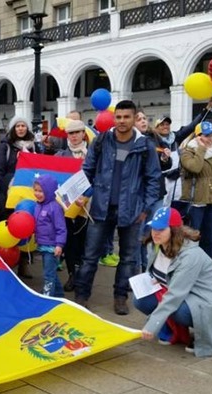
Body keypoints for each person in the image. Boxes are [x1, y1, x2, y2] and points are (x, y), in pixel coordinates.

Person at [73, 100, 162, 315]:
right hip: (101, 208)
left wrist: (146, 209)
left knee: (129, 258)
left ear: (135, 118)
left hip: (131, 210)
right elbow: (88, 170)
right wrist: (84, 195)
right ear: (114, 118)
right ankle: (81, 296)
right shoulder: (102, 141)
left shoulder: (145, 145)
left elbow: (153, 179)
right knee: (90, 256)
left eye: (126, 117)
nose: (122, 121)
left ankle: (120, 297)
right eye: (119, 117)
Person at [137, 207, 212, 357]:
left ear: (174, 230)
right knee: (141, 299)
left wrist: (151, 325)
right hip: (189, 295)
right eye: (153, 227)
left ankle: (209, 333)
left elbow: (175, 295)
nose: (155, 233)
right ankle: (169, 328)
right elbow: (156, 277)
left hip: (210, 302)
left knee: (179, 311)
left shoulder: (190, 256)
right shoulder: (157, 246)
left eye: (161, 229)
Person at [179, 121, 212, 260]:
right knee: (192, 238)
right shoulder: (188, 151)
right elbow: (195, 168)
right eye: (206, 135)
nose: (211, 138)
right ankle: (189, 266)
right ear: (197, 136)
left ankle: (207, 268)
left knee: (209, 238)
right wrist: (201, 148)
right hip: (196, 201)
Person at [155, 99, 212, 207]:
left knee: (177, 207)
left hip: (176, 180)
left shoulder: (176, 137)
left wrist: (206, 110)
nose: (165, 127)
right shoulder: (153, 140)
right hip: (161, 181)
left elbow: (192, 126)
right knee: (161, 208)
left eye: (167, 124)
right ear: (156, 127)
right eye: (162, 125)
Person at [55, 119, 90, 292]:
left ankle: (83, 275)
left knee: (84, 242)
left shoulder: (92, 154)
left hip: (87, 205)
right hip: (67, 206)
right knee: (69, 241)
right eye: (71, 133)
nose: (74, 136)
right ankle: (72, 275)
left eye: (77, 132)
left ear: (84, 133)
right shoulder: (61, 155)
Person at [0, 115, 37, 220]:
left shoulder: (34, 146)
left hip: (28, 187)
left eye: (23, 126)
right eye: (17, 126)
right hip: (7, 187)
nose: (21, 128)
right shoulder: (5, 146)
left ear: (27, 128)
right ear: (13, 128)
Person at [33, 175, 67, 297]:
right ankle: (59, 294)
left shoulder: (55, 207)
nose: (37, 193)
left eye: (41, 191)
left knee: (48, 274)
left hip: (52, 247)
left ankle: (47, 297)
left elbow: (61, 228)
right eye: (35, 190)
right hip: (43, 245)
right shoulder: (38, 206)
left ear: (49, 191)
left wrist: (59, 245)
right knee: (51, 272)